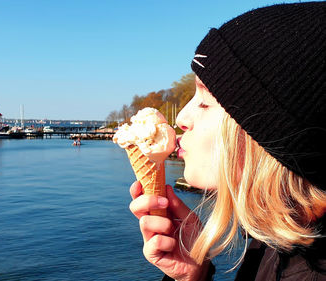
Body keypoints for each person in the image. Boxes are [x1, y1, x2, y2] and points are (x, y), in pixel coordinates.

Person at [128, 2, 326, 281]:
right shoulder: (280, 241)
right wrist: (191, 275)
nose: (182, 117)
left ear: (268, 132)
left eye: (206, 103)